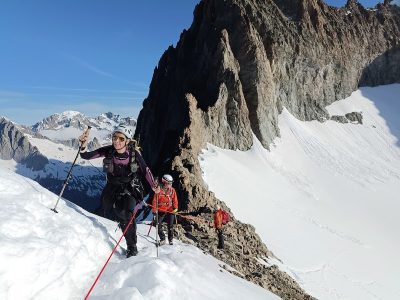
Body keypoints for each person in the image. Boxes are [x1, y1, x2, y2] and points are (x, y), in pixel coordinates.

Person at [79, 124, 156, 258]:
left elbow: (145, 169)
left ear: (127, 140)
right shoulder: (109, 151)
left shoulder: (133, 154)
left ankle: (132, 247)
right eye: (114, 137)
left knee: (126, 214)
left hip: (129, 187)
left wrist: (154, 185)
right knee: (105, 208)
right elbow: (86, 156)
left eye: (120, 138)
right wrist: (83, 144)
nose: (116, 141)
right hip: (112, 186)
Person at [152, 174, 178, 245]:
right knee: (157, 224)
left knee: (170, 225)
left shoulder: (172, 190)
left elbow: (175, 200)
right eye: (169, 183)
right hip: (161, 209)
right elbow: (155, 201)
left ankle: (170, 239)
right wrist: (154, 212)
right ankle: (162, 238)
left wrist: (175, 208)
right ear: (164, 182)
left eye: (171, 183)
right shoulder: (158, 191)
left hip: (170, 209)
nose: (170, 185)